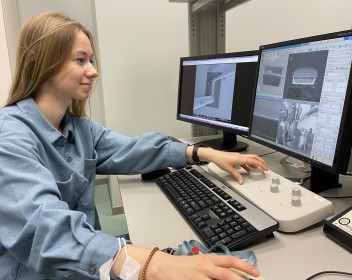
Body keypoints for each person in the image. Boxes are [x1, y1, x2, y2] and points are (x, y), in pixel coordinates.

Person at [0, 11, 269, 280]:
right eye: (80, 60)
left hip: (85, 263)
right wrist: (154, 265)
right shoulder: (9, 138)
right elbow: (46, 229)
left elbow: (133, 149)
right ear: (44, 62)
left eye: (91, 60)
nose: (93, 71)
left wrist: (203, 153)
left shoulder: (78, 128)